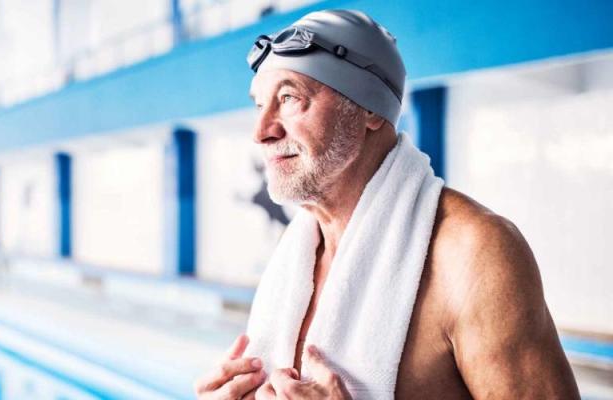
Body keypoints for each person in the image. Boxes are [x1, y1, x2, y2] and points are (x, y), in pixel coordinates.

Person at [194, 9, 579, 400]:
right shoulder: (297, 257)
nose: (262, 132)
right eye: (260, 105)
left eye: (290, 98)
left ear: (370, 109)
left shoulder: (474, 254)